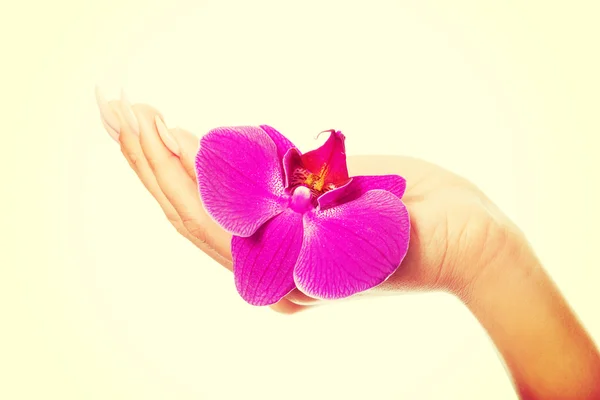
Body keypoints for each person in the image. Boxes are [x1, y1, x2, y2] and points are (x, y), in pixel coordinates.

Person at [95, 90, 600, 400]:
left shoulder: (340, 208)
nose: (307, 182)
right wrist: (490, 254)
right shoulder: (282, 186)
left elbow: (378, 203)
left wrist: (484, 250)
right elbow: (259, 280)